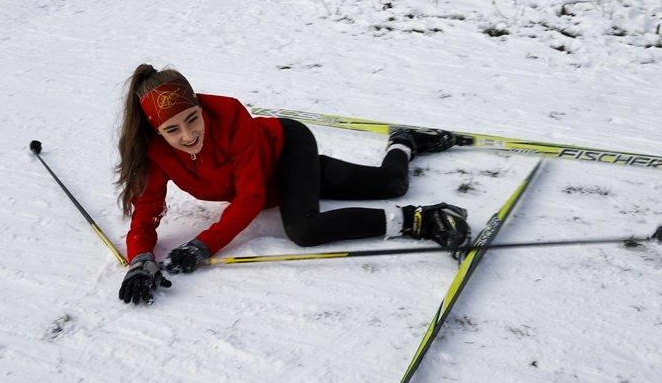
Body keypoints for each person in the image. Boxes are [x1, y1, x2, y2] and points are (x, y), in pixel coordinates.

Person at [115, 65, 470, 305]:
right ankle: (405, 142)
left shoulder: (231, 117)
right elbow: (145, 214)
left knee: (304, 229)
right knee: (391, 182)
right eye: (172, 129)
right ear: (156, 132)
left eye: (192, 119)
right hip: (276, 183)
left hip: (288, 148)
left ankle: (422, 220)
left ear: (199, 106)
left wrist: (202, 245)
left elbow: (250, 197)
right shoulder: (154, 154)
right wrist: (140, 260)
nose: (189, 135)